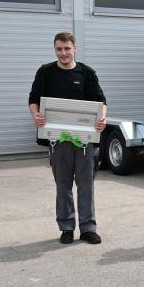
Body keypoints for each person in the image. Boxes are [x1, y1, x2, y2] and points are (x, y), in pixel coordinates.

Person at [28, 32, 107, 245]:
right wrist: (35, 114)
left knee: (86, 185)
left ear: (75, 49)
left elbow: (101, 102)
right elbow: (33, 99)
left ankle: (88, 228)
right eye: (59, 49)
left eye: (67, 48)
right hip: (57, 140)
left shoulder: (87, 73)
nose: (63, 53)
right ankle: (66, 227)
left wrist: (102, 119)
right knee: (63, 185)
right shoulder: (45, 72)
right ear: (55, 49)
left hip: (84, 141)